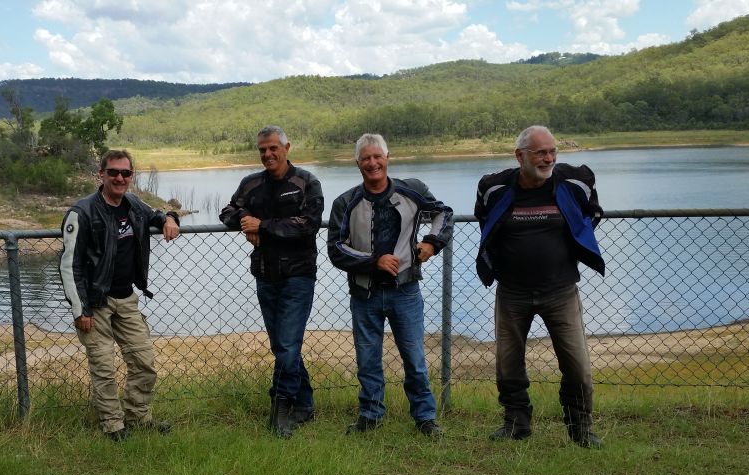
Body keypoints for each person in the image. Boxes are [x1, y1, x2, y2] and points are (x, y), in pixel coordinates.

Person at [474, 125, 606, 447]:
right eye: (540, 153)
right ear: (520, 156)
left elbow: (591, 213)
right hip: (512, 292)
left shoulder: (574, 182)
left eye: (552, 151)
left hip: (560, 291)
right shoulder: (494, 187)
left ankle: (580, 428)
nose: (548, 158)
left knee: (577, 365)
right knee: (508, 363)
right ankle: (516, 423)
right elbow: (486, 221)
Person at [328, 133, 452, 437]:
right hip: (364, 293)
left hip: (405, 290)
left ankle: (425, 418)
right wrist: (374, 261)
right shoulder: (345, 203)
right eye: (366, 158)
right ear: (357, 163)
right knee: (367, 359)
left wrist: (432, 244)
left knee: (414, 358)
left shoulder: (413, 191)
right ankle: (370, 415)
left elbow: (443, 214)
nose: (373, 163)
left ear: (387, 157)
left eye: (377, 156)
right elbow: (336, 249)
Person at [59, 149, 181, 442]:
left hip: (127, 299)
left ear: (131, 177)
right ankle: (113, 426)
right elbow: (69, 264)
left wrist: (169, 218)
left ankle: (138, 416)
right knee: (103, 367)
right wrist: (81, 309)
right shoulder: (82, 212)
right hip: (95, 303)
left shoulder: (133, 204)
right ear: (101, 175)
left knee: (144, 362)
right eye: (113, 172)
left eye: (125, 173)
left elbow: (154, 214)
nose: (119, 178)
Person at [219, 125, 325, 438]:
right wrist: (243, 222)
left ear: (287, 148)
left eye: (273, 148)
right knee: (283, 345)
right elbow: (229, 209)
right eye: (263, 150)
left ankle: (281, 409)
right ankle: (305, 404)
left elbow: (309, 224)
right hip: (265, 276)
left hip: (298, 276)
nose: (268, 154)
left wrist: (262, 225)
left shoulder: (306, 182)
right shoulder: (251, 184)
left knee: (288, 346)